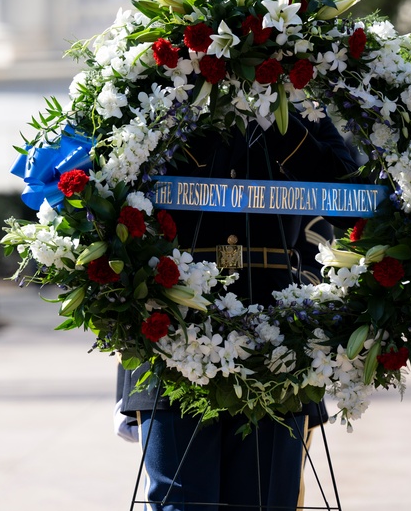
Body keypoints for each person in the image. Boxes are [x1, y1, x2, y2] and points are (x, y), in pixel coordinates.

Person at [117, 112, 359, 511]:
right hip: (172, 323)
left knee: (265, 502)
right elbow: (119, 181)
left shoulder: (299, 108)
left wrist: (277, 118)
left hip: (280, 334)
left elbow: (350, 200)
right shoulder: (171, 96)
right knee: (180, 503)